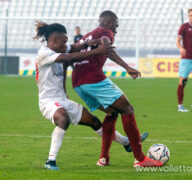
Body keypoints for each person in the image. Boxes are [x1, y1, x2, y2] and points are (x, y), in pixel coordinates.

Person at [34, 21, 146, 170]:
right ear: (54, 41)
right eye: (63, 42)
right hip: (48, 102)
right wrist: (96, 51)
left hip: (62, 100)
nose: (66, 45)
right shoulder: (44, 53)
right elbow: (69, 58)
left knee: (94, 121)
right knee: (63, 119)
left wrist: (94, 42)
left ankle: (126, 143)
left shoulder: (57, 48)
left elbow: (74, 48)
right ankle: (50, 161)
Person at [72, 11, 163, 167]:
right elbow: (107, 47)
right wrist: (127, 67)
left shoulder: (87, 35)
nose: (116, 29)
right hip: (92, 78)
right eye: (116, 25)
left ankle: (103, 158)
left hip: (77, 82)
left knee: (112, 112)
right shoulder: (106, 32)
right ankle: (140, 159)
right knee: (127, 109)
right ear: (108, 22)